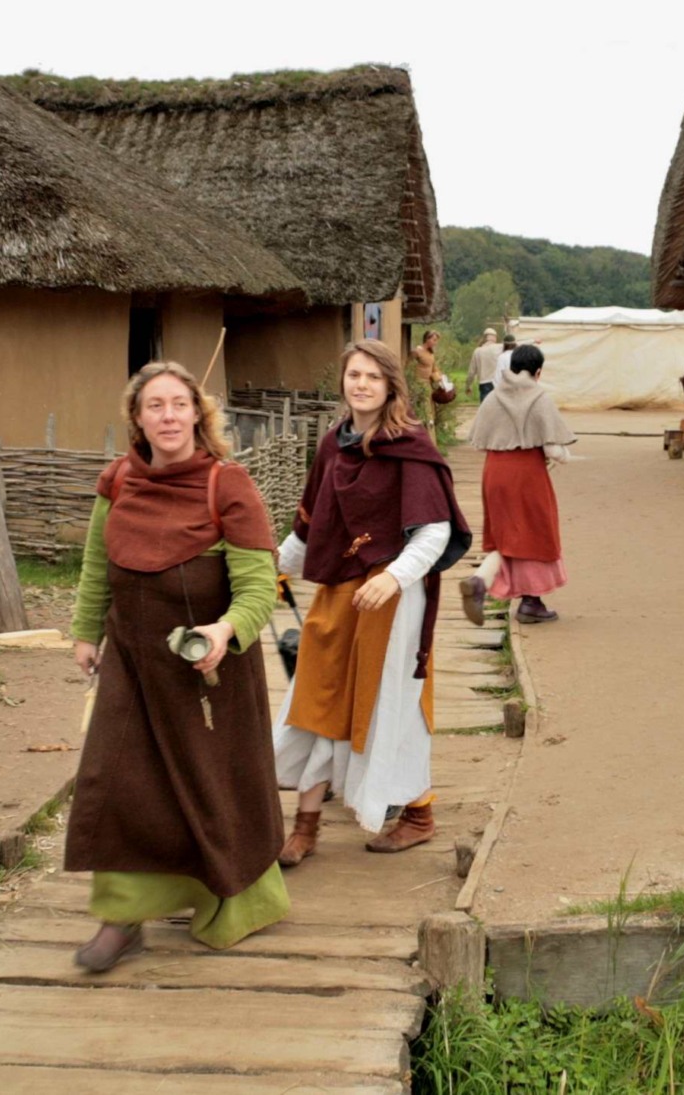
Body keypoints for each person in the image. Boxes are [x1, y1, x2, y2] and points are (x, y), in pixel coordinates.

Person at [65, 360, 288, 972]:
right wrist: (87, 632)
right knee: (118, 783)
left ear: (197, 413)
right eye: (154, 405)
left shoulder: (228, 485)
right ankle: (122, 920)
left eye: (178, 404)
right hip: (131, 666)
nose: (167, 416)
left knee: (212, 789)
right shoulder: (117, 482)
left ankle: (231, 901)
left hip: (206, 674)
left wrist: (225, 630)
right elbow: (94, 567)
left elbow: (258, 588)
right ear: (136, 419)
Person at [273, 340, 472, 863]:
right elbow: (309, 530)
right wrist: (267, 568)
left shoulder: (410, 445)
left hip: (393, 599)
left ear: (389, 386)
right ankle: (305, 826)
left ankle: (417, 814)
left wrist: (395, 577)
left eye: (372, 377)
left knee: (389, 706)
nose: (360, 384)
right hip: (339, 589)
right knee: (317, 699)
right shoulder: (333, 447)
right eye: (353, 375)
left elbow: (433, 531)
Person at [461, 344, 575, 626]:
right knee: (534, 534)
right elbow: (552, 449)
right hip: (526, 475)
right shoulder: (539, 397)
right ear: (538, 372)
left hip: (495, 473)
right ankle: (531, 602)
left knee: (506, 537)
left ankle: (480, 581)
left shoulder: (493, 397)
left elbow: (479, 441)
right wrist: (565, 455)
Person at [409, 329, 449, 425]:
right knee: (422, 406)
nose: (435, 343)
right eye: (434, 340)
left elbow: (434, 368)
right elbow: (409, 366)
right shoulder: (417, 351)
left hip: (428, 383)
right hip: (419, 383)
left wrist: (440, 379)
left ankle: (429, 428)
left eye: (436, 340)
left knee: (430, 406)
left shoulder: (431, 353)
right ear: (427, 339)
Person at [468, 327, 504, 401]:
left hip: (484, 384)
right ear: (494, 337)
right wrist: (532, 340)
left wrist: (468, 385)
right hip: (497, 382)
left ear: (484, 337)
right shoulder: (500, 347)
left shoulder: (477, 351)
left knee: (485, 408)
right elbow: (516, 343)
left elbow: (471, 372)